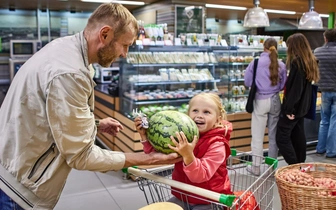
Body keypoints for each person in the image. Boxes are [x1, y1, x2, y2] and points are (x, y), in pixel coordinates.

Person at [0, 3, 181, 210]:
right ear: (105, 34)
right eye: (125, 45)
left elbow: (51, 115)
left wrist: (94, 124)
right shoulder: (70, 73)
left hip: (13, 172)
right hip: (16, 191)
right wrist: (145, 159)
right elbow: (81, 155)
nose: (125, 54)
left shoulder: (65, 49)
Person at [135, 93, 233, 209]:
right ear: (187, 115)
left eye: (206, 112)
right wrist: (145, 137)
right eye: (195, 111)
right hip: (183, 195)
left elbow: (201, 176)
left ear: (218, 120)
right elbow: (158, 154)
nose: (199, 115)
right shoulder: (183, 135)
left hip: (209, 200)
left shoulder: (217, 144)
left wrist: (187, 155)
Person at [244, 38, 287, 175]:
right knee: (273, 136)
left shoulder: (256, 62)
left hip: (260, 101)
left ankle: (256, 167)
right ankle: (271, 167)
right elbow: (282, 85)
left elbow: (247, 82)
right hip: (275, 100)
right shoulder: (281, 64)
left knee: (257, 136)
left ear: (264, 47)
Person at [276, 33, 320, 165]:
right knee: (298, 134)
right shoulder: (310, 61)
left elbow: (295, 89)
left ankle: (294, 165)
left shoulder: (297, 62)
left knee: (282, 137)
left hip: (294, 108)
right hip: (304, 106)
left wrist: (289, 109)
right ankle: (301, 163)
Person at [314, 29, 336, 158]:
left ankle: (320, 148)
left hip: (324, 91)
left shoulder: (317, 52)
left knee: (324, 120)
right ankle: (332, 151)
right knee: (334, 121)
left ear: (325, 38)